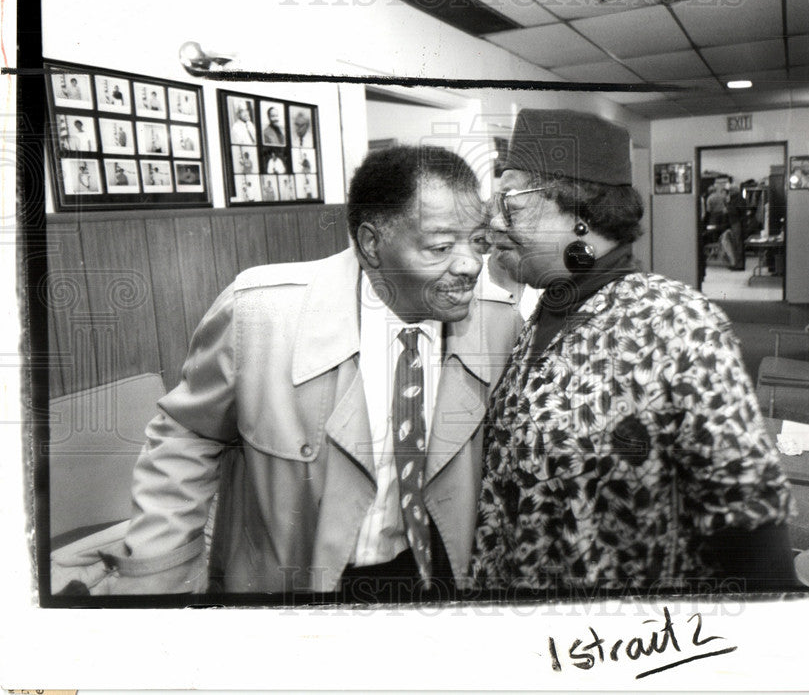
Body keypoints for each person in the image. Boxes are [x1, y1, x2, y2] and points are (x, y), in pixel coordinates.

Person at [58, 145, 520, 600]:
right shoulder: (259, 314)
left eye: (477, 241)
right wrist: (159, 569)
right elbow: (185, 436)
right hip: (302, 578)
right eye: (441, 246)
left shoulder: (500, 322)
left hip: (432, 569)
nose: (470, 266)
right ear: (371, 244)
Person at [471, 108, 796, 596]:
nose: (493, 221)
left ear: (579, 212)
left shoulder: (678, 324)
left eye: (510, 202)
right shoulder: (545, 313)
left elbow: (748, 522)